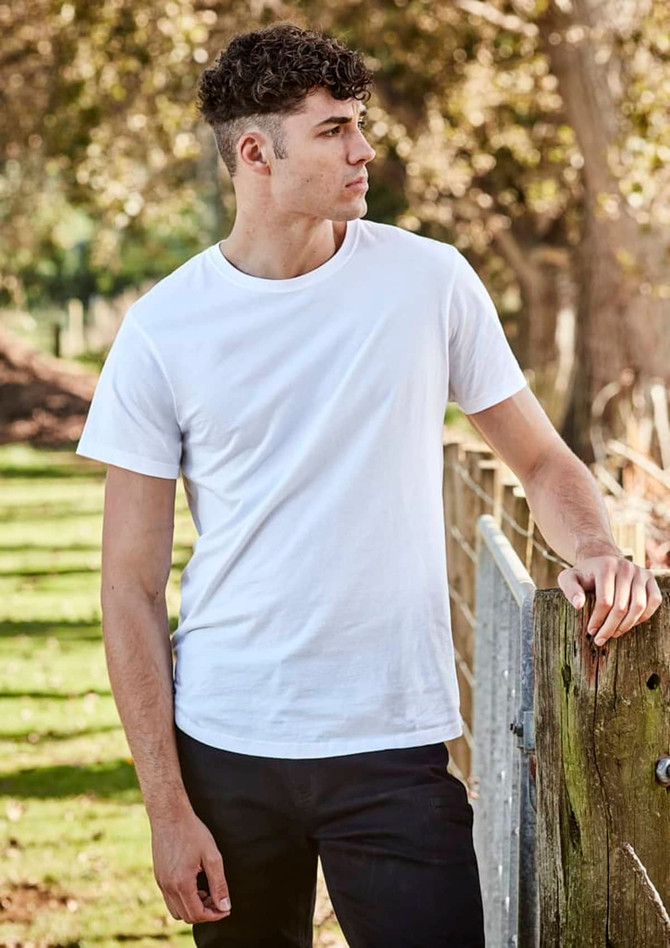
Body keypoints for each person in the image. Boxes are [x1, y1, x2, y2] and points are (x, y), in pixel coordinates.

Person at [75, 21, 663, 948]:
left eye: (362, 122)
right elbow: (128, 587)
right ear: (258, 153)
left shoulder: (429, 282)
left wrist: (594, 549)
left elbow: (544, 461)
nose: (365, 149)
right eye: (336, 129)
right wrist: (166, 807)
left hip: (394, 740)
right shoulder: (162, 332)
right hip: (228, 746)